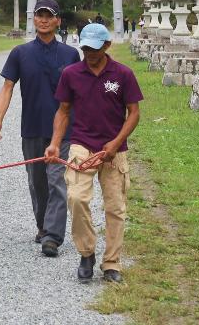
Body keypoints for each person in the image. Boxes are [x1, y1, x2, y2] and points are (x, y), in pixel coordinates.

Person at [45, 23, 143, 284]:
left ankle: (111, 263)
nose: (89, 52)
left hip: (115, 149)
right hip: (81, 145)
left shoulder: (123, 74)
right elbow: (63, 111)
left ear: (107, 46)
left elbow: (134, 113)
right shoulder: (71, 73)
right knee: (76, 198)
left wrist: (115, 143)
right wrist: (55, 143)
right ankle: (86, 252)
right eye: (86, 47)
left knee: (115, 208)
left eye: (95, 48)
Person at [0, 0, 80, 257]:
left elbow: (78, 93)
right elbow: (7, 87)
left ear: (57, 21)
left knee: (57, 182)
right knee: (37, 182)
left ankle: (52, 236)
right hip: (31, 127)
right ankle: (42, 226)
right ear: (34, 20)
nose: (43, 19)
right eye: (39, 15)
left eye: (48, 15)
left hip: (63, 131)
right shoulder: (20, 52)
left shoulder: (70, 55)